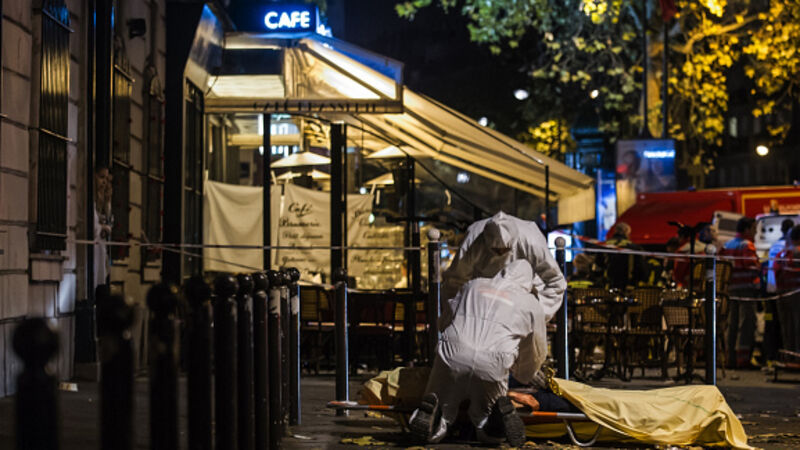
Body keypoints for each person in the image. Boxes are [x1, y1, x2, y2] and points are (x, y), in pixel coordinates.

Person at [409, 260, 548, 445]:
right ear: (529, 283)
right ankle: (495, 423)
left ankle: (435, 417)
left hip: (452, 354)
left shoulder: (473, 285)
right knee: (484, 420)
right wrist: (524, 374)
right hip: (494, 362)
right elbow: (536, 350)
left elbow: (445, 320)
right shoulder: (531, 303)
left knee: (442, 402)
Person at [441, 211, 566, 322]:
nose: (500, 253)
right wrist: (455, 315)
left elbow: (556, 281)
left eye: (505, 250)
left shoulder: (531, 240)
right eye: (496, 250)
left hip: (526, 298)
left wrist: (536, 315)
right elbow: (455, 281)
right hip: (484, 301)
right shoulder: (473, 239)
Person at [719, 217, 760, 369]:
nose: (756, 232)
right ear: (747, 229)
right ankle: (743, 359)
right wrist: (760, 266)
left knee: (732, 323)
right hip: (746, 288)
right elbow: (751, 266)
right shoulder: (747, 245)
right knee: (747, 323)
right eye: (754, 228)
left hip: (731, 288)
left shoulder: (727, 245)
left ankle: (729, 358)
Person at [597, 222, 645, 290]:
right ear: (627, 232)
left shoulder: (604, 245)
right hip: (628, 284)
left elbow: (598, 264)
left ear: (615, 231)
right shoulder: (633, 247)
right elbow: (640, 267)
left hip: (609, 283)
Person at [775, 226, 800, 352]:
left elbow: (776, 272)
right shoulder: (797, 252)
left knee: (787, 326)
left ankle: (789, 354)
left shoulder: (782, 253)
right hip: (797, 294)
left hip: (782, 294)